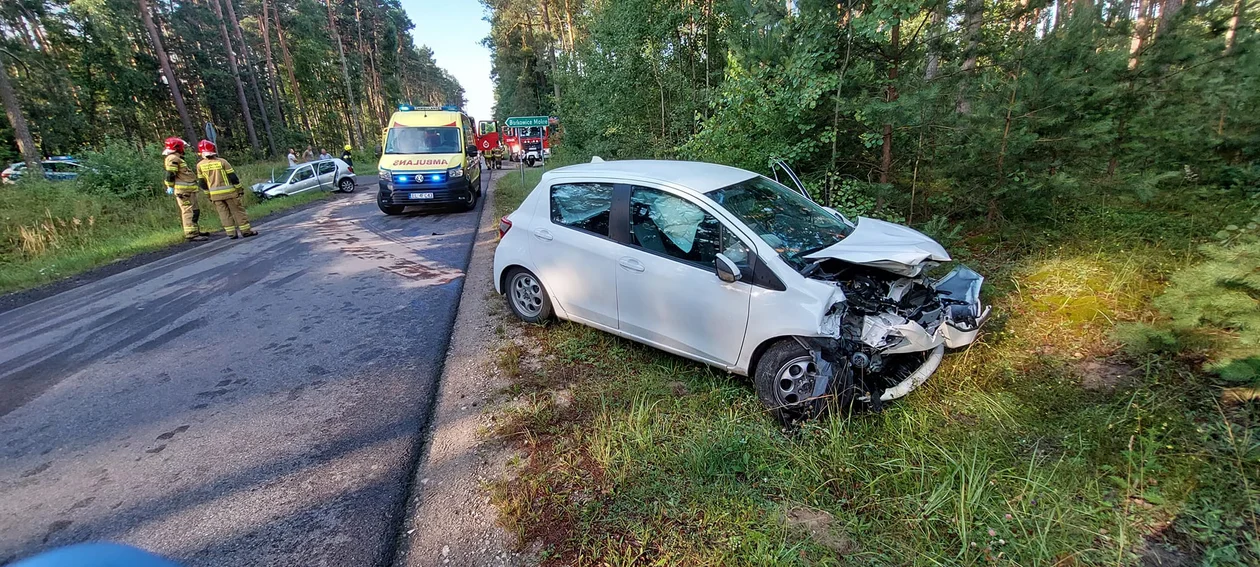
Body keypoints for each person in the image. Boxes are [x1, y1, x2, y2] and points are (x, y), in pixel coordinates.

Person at [195, 140, 257, 239]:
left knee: (223, 214)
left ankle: (231, 233)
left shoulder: (199, 165)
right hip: (230, 193)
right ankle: (246, 231)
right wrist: (239, 189)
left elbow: (202, 183)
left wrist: (208, 195)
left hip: (215, 195)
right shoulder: (222, 162)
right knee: (238, 211)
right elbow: (233, 177)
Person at [161, 137, 209, 241]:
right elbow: (170, 174)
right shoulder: (172, 158)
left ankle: (196, 230)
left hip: (189, 190)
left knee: (195, 211)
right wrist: (169, 186)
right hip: (183, 191)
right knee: (188, 211)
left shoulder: (177, 158)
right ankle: (191, 234)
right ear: (177, 148)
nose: (184, 149)